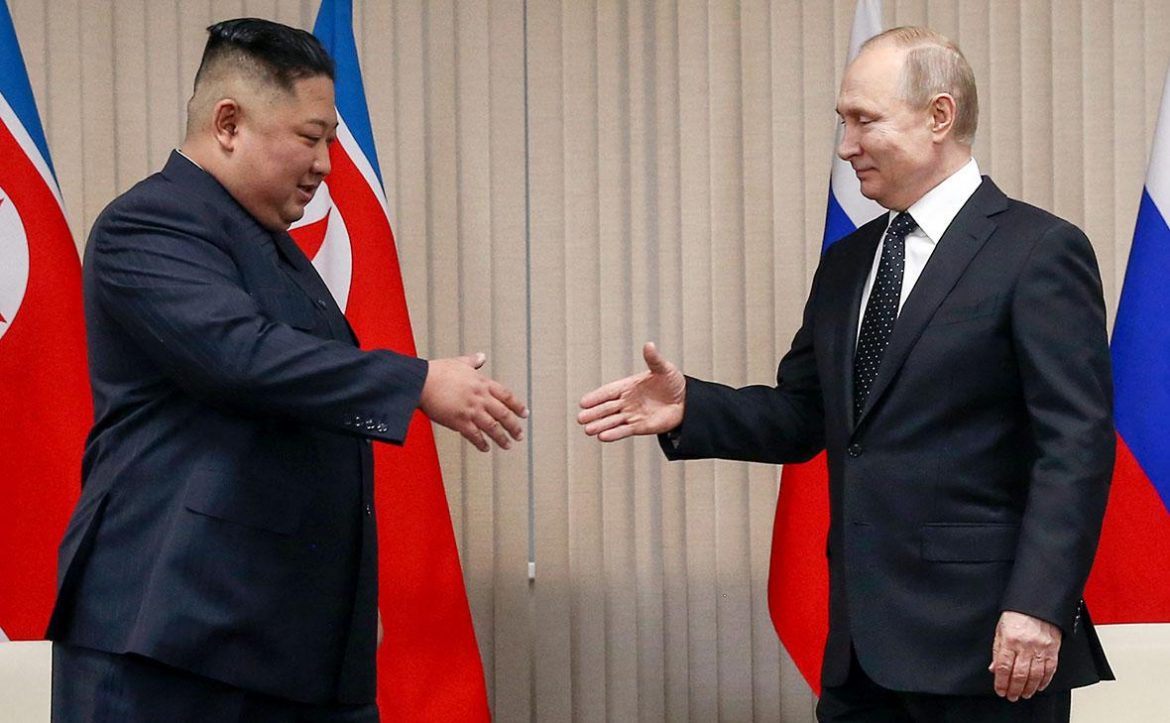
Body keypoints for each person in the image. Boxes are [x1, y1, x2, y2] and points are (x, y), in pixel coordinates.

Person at [579, 26, 1113, 722]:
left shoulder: (1038, 250)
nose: (845, 145)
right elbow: (807, 414)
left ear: (939, 116)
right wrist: (692, 407)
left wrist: (1039, 606)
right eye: (843, 121)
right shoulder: (849, 261)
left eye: (864, 120)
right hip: (860, 653)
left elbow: (1075, 445)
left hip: (988, 647)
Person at [47, 18, 526, 722]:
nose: (327, 164)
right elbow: (240, 356)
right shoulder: (148, 223)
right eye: (310, 137)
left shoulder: (267, 245)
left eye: (330, 140)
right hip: (170, 636)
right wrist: (416, 382)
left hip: (281, 641)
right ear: (229, 124)